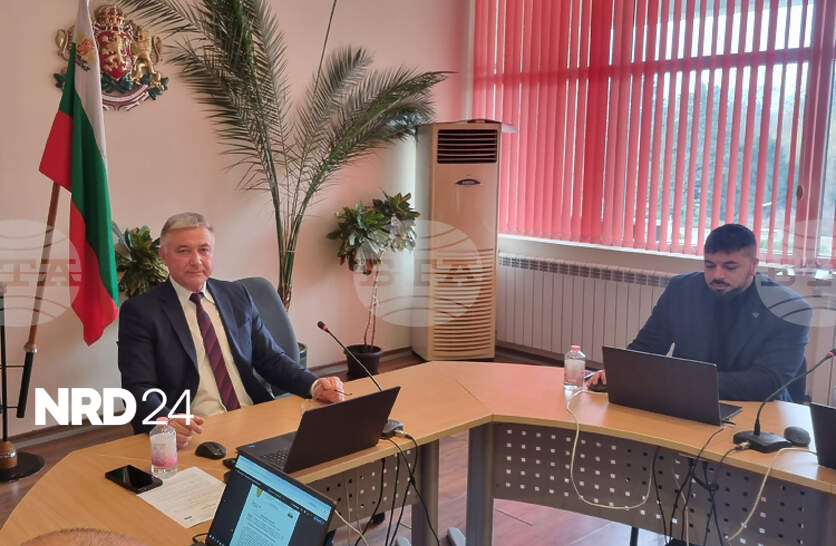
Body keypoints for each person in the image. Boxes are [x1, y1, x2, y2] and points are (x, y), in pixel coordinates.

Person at [118, 212, 345, 448]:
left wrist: (315, 385)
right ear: (163, 256)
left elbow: (270, 358)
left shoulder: (236, 295)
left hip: (253, 418)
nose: (196, 260)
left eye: (204, 250)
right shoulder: (142, 312)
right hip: (195, 431)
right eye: (183, 251)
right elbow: (138, 388)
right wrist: (166, 421)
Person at [587, 224, 810, 401]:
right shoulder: (681, 290)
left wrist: (682, 383)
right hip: (688, 403)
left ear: (753, 265)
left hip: (758, 411)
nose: (717, 275)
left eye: (730, 266)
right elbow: (647, 347)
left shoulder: (788, 308)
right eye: (710, 265)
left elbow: (768, 382)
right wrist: (620, 371)